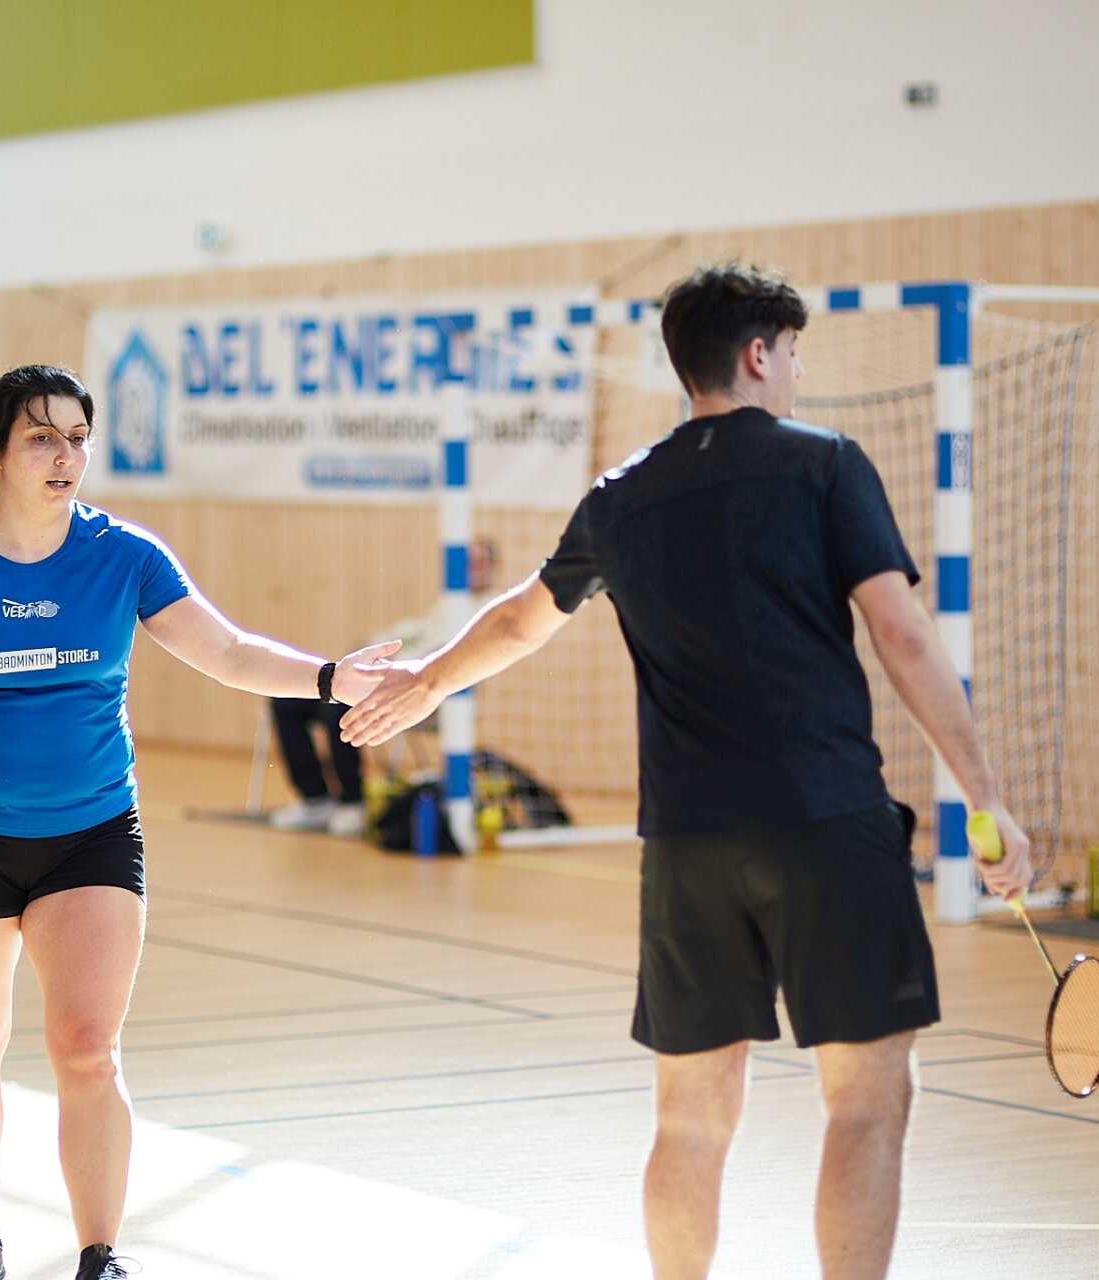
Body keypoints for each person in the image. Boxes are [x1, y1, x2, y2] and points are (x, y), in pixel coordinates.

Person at [341, 264, 1033, 1280]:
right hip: (825, 820)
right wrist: (985, 795)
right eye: (790, 353)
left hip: (686, 844)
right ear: (757, 354)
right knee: (866, 1102)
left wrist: (429, 681)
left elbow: (523, 618)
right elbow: (903, 635)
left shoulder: (621, 495)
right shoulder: (826, 464)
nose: (795, 372)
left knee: (691, 1117)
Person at [0, 366, 395, 1280]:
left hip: (88, 834)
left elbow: (227, 649)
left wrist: (329, 678)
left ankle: (100, 1257)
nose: (66, 455)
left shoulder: (124, 555)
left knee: (88, 1049)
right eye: (43, 437)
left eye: (79, 438)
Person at [263, 538, 497, 836]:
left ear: (492, 566)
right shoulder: (447, 604)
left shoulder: (489, 608)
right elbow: (409, 632)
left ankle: (352, 801)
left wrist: (398, 664)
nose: (470, 569)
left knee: (339, 708)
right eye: (466, 562)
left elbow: (443, 654)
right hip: (385, 679)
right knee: (287, 702)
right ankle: (315, 799)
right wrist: (372, 649)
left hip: (429, 694)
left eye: (477, 562)